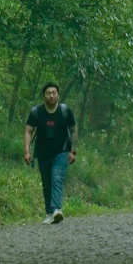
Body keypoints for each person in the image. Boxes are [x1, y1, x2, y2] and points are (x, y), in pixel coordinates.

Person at [24, 82, 77, 224]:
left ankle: (56, 209)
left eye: (54, 92)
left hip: (61, 152)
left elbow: (73, 131)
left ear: (58, 94)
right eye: (48, 93)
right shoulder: (37, 112)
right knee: (46, 183)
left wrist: (73, 151)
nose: (52, 95)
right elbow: (29, 131)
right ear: (44, 96)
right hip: (42, 153)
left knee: (57, 177)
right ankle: (49, 213)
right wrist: (27, 151)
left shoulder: (65, 111)